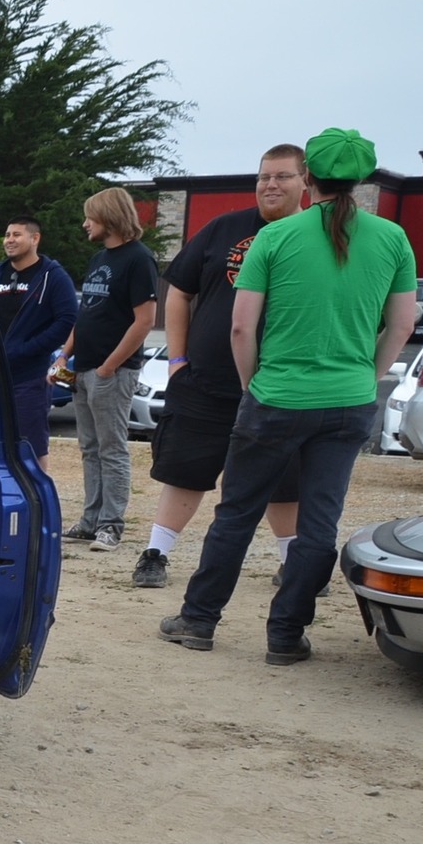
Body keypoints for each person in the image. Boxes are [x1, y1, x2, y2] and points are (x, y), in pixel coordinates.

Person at [159, 128, 418, 665]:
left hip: (276, 396)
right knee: (319, 523)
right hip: (347, 401)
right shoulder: (393, 239)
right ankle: (285, 635)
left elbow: (240, 328)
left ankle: (198, 620)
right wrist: (368, 378)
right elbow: (401, 325)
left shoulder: (274, 238)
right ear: (362, 178)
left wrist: (254, 383)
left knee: (236, 514)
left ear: (310, 178)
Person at [131, 145, 309, 589]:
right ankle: (155, 553)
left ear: (305, 182)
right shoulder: (222, 229)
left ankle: (293, 562)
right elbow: (179, 292)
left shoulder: (315, 238)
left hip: (281, 384)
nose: (270, 184)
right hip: (206, 381)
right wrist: (176, 359)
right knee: (185, 470)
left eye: (283, 176)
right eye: (264, 176)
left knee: (284, 476)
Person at [56, 189, 158, 551]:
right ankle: (90, 520)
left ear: (110, 216)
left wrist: (109, 367)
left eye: (91, 217)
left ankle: (112, 525)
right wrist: (64, 355)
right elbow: (88, 313)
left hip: (112, 372)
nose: (85, 224)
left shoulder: (139, 259)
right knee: (89, 447)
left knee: (112, 449)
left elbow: (145, 321)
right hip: (83, 369)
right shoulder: (99, 258)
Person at [0, 218, 77, 472]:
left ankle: (38, 506)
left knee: (31, 447)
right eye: (7, 234)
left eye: (17, 235)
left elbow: (67, 320)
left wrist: (29, 348)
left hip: (29, 377)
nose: (9, 239)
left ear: (35, 239)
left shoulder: (52, 276)